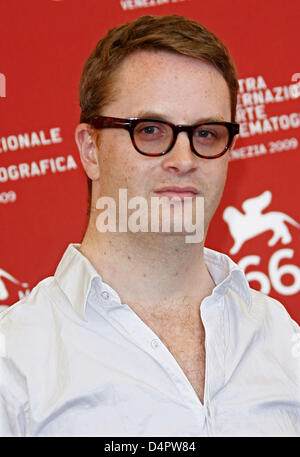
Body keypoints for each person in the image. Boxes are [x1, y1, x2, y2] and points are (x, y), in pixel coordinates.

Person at [0, 14, 299, 438]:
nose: (184, 159)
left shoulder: (280, 339)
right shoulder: (15, 365)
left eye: (208, 133)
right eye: (152, 130)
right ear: (91, 150)